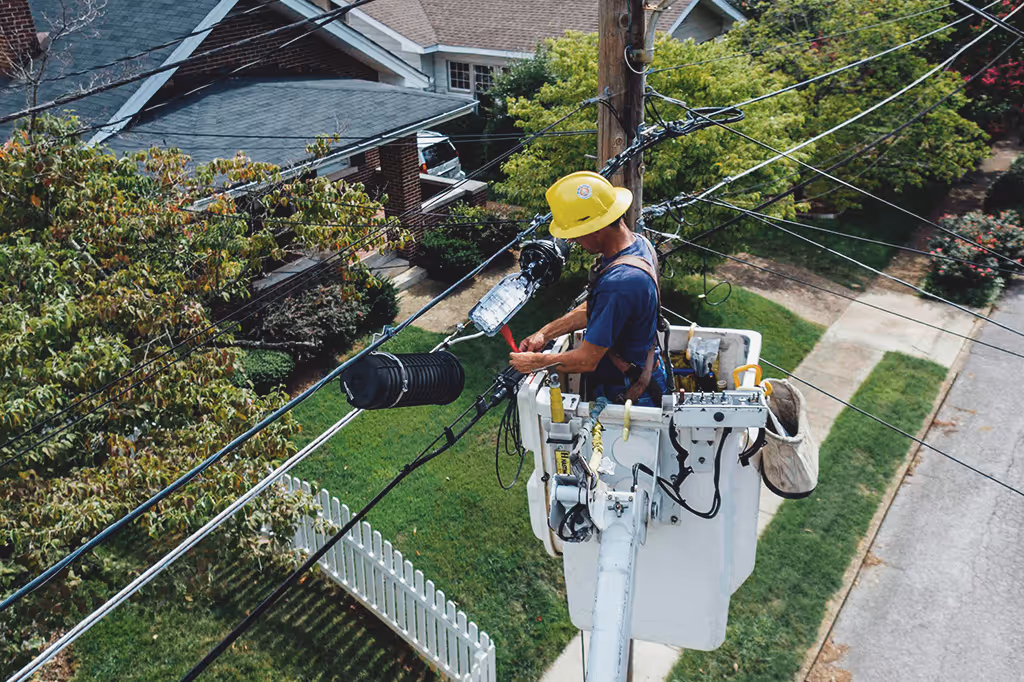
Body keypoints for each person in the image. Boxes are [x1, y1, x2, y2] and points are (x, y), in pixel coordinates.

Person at [509, 171, 669, 406]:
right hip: (641, 372)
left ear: (596, 229)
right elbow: (598, 309)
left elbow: (586, 361)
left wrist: (535, 362)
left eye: (575, 235)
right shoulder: (638, 245)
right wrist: (545, 333)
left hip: (631, 393)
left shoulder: (621, 282)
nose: (573, 242)